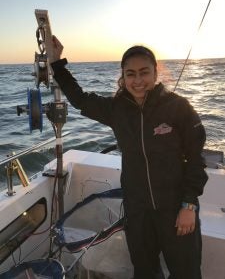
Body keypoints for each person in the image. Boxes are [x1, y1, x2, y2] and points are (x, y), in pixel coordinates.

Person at [50, 36, 208, 279]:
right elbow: (80, 99)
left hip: (176, 208)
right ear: (123, 76)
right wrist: (57, 63)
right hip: (138, 212)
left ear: (156, 72)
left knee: (186, 272)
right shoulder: (116, 109)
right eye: (130, 74)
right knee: (144, 271)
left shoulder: (178, 107)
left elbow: (196, 159)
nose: (137, 80)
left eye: (144, 72)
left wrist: (188, 205)